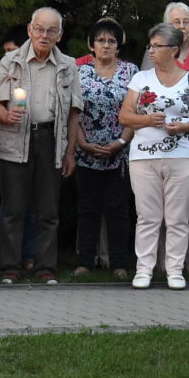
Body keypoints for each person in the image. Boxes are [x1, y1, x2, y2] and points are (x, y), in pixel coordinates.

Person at [0, 7, 82, 284]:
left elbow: (74, 113)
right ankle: (11, 267)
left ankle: (45, 268)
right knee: (13, 209)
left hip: (50, 138)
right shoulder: (10, 61)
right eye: (39, 29)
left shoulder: (68, 65)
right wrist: (5, 115)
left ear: (59, 35)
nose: (44, 35)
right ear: (30, 30)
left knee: (48, 210)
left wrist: (69, 152)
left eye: (51, 30)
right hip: (15, 137)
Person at [121, 22, 189, 289]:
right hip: (143, 156)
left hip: (182, 156)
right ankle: (144, 270)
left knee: (177, 217)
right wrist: (147, 120)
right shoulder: (141, 79)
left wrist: (185, 127)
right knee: (147, 216)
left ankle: (174, 270)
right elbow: (124, 116)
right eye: (150, 45)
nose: (151, 51)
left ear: (173, 50)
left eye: (157, 46)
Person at [148, 2, 189, 272]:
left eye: (186, 22)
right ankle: (160, 258)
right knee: (159, 199)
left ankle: (186, 256)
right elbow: (145, 91)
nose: (182, 26)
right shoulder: (153, 52)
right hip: (159, 134)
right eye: (176, 22)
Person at [72, 18, 136, 279]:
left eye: (111, 41)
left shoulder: (131, 72)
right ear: (92, 45)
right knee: (88, 208)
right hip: (86, 151)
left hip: (120, 153)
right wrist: (82, 142)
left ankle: (119, 263)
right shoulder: (79, 72)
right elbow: (72, 112)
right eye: (101, 40)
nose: (106, 45)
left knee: (118, 209)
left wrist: (120, 142)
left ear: (119, 46)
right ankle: (84, 262)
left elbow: (136, 110)